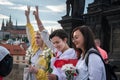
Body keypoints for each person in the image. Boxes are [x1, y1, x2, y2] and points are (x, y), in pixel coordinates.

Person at [32, 6, 78, 80]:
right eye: (53, 43)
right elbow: (45, 35)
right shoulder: (58, 52)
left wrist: (57, 78)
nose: (55, 45)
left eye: (57, 42)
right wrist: (37, 18)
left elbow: (71, 76)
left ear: (65, 40)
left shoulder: (71, 54)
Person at [24, 6, 53, 80]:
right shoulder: (35, 47)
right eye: (35, 38)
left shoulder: (49, 53)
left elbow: (49, 75)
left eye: (38, 38)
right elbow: (30, 32)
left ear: (44, 39)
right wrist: (27, 17)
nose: (36, 40)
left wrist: (36, 71)